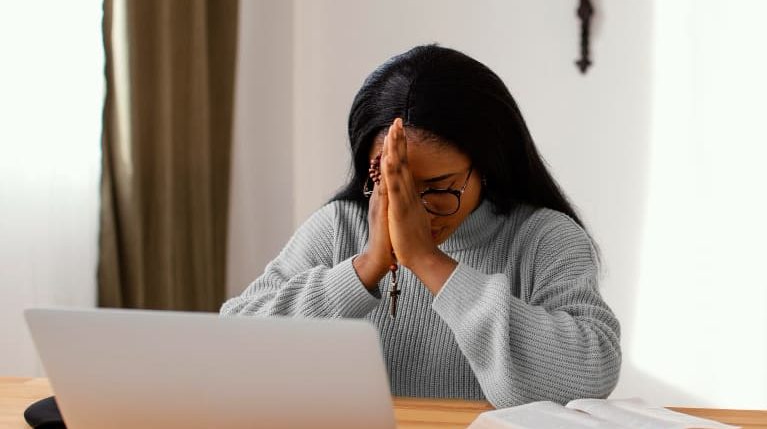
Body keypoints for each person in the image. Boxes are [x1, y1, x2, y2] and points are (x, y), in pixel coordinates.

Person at [221, 45, 621, 408]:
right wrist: (366, 267)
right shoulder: (338, 227)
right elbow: (230, 351)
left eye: (438, 188)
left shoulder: (544, 237)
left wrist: (428, 261)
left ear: (487, 165)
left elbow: (588, 376)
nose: (411, 211)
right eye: (390, 183)